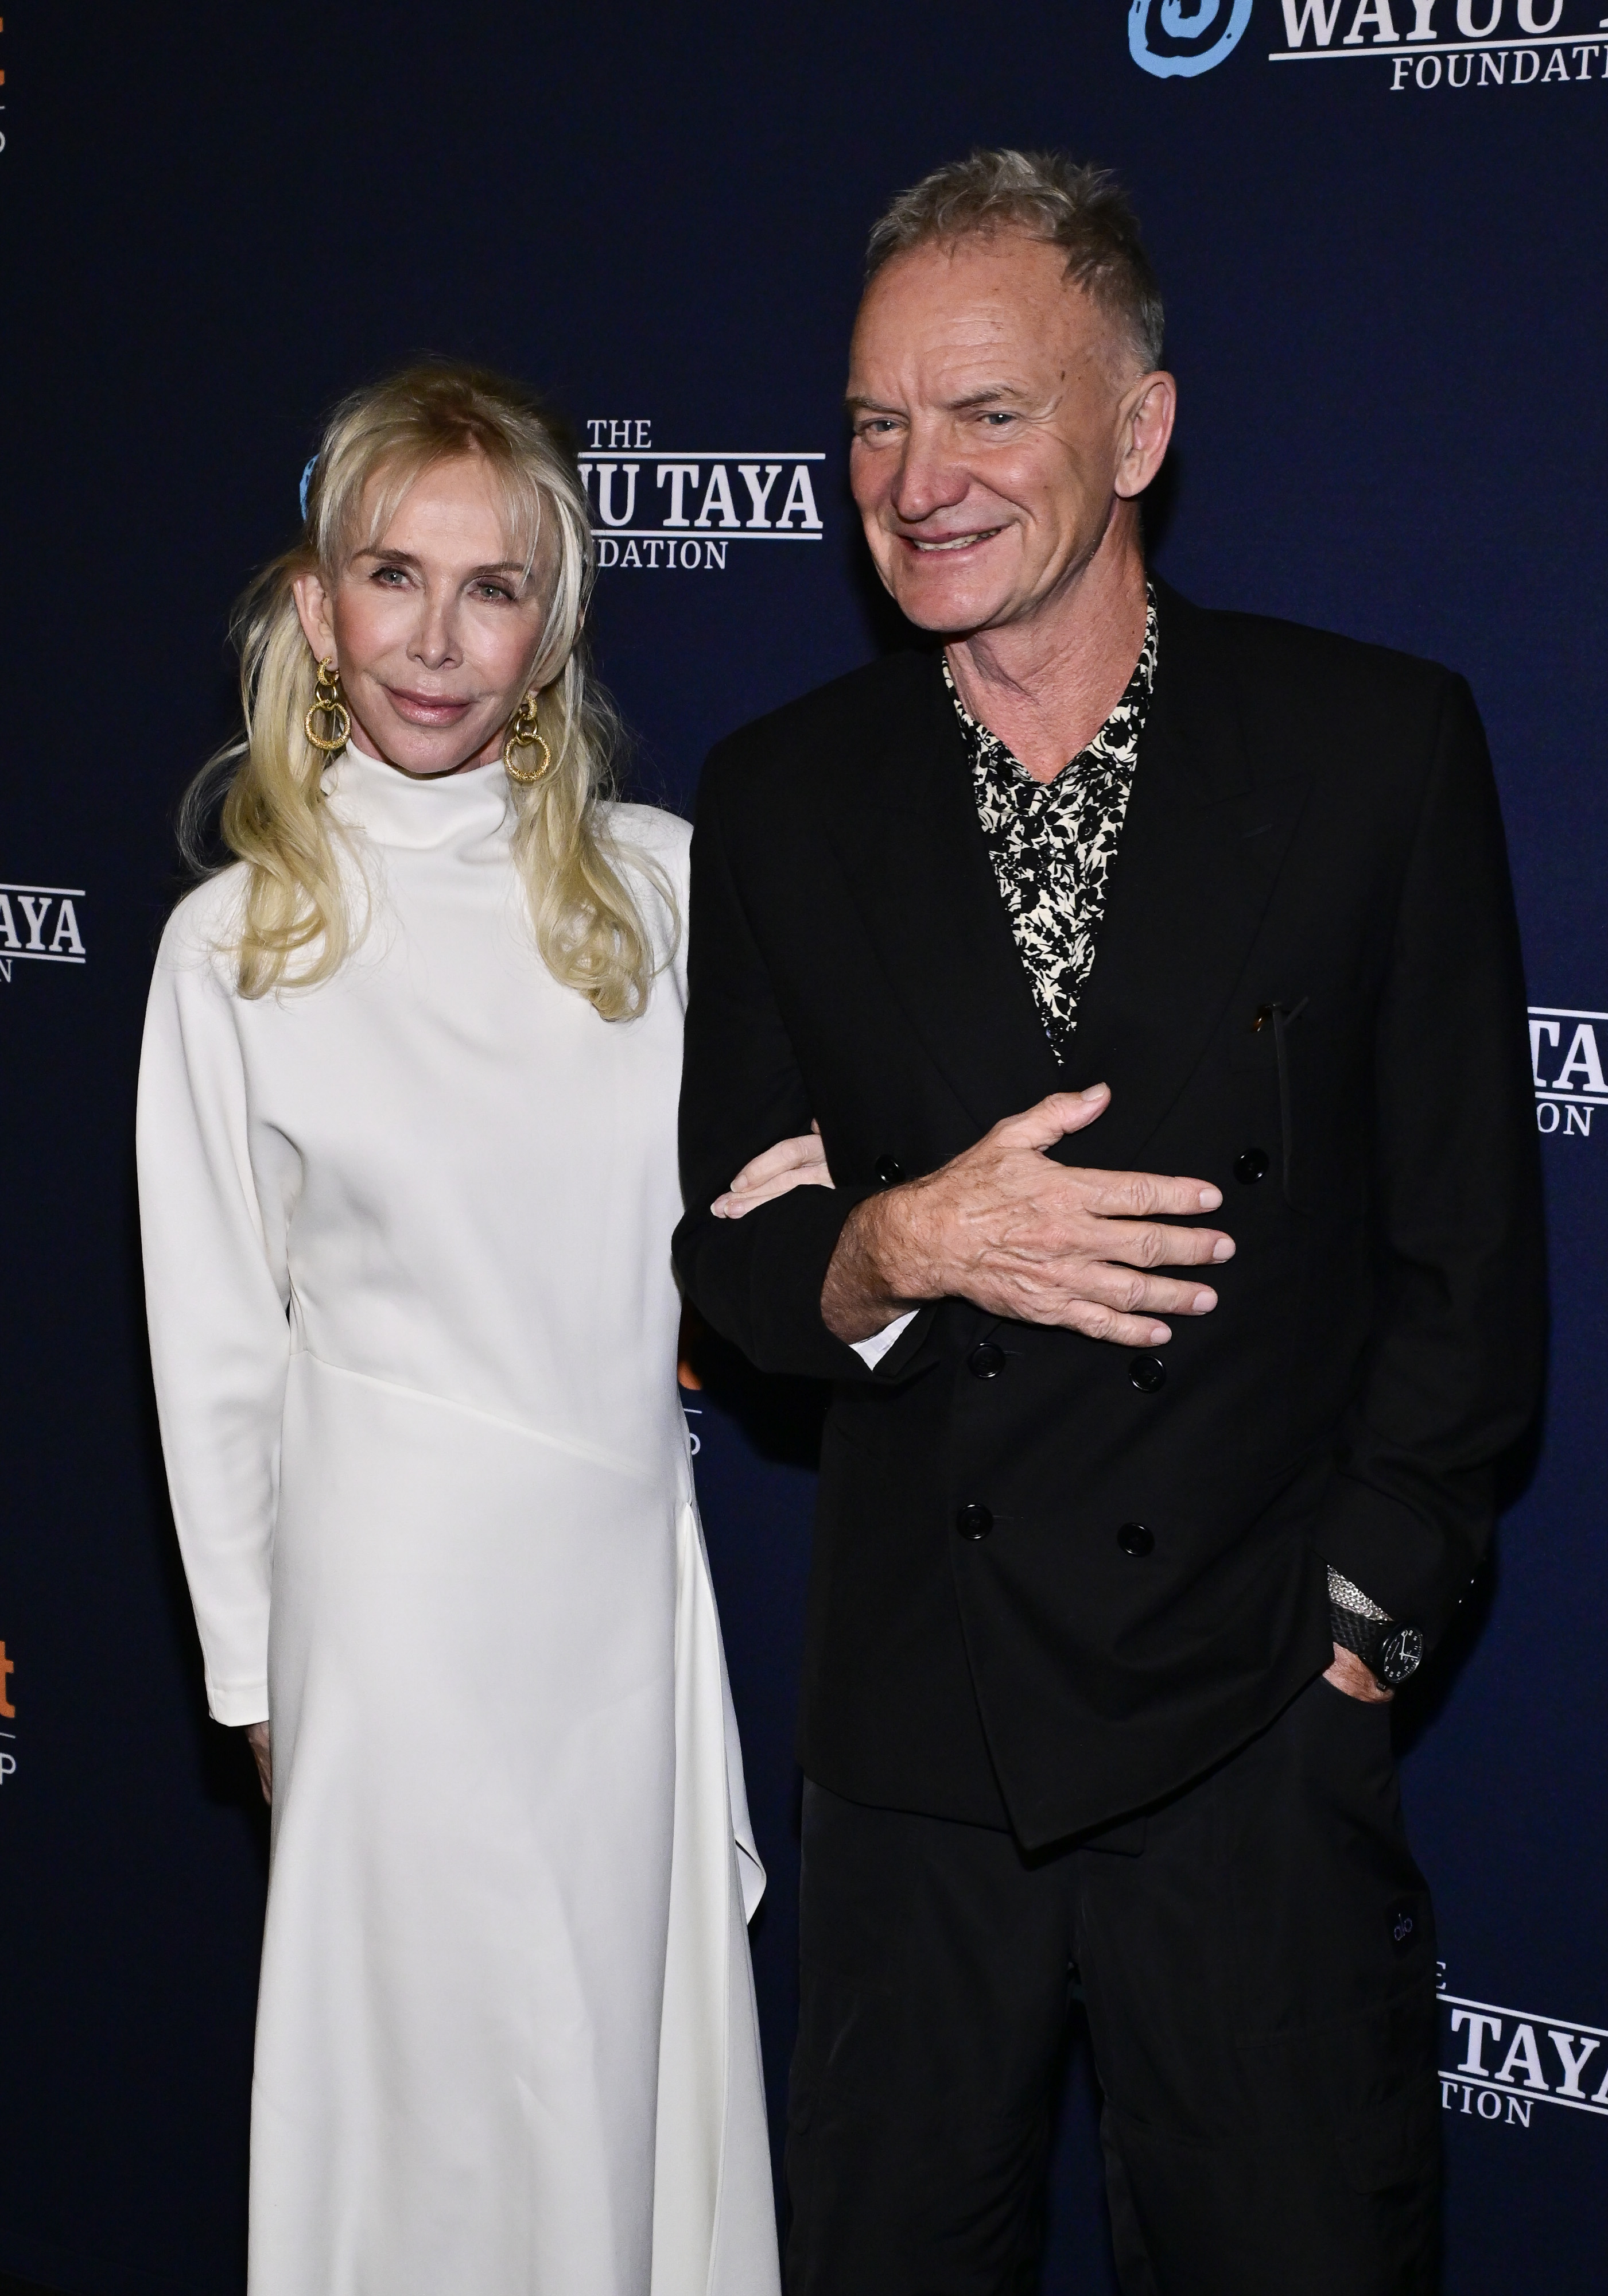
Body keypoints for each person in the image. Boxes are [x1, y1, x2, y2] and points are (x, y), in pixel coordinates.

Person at [674, 152, 1544, 2295]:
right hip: (915, 1752)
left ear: (1135, 429)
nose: (917, 479)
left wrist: (1356, 1624)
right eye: (874, 421)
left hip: (1254, 1719)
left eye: (986, 414)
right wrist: (897, 1243)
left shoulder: (1371, 749)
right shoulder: (783, 795)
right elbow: (730, 1270)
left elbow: (1468, 1268)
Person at [137, 363, 808, 2296]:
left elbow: (780, 1213)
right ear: (316, 609)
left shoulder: (667, 890)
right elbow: (214, 1357)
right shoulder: (239, 941)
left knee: (607, 2079)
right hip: (388, 1637)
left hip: (612, 1602)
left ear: (554, 625)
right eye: (392, 575)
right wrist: (263, 1689)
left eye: (492, 587)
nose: (438, 637)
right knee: (427, 2111)